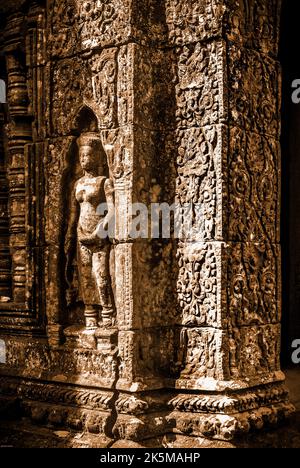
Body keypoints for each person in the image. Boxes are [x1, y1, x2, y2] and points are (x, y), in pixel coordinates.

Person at [65, 132, 115, 329]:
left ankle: (108, 312)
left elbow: (112, 210)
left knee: (101, 275)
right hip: (81, 234)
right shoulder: (78, 184)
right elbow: (73, 213)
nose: (84, 160)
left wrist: (101, 228)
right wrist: (71, 233)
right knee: (85, 275)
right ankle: (90, 314)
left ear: (97, 157)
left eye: (88, 155)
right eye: (82, 156)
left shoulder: (104, 182)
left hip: (99, 235)